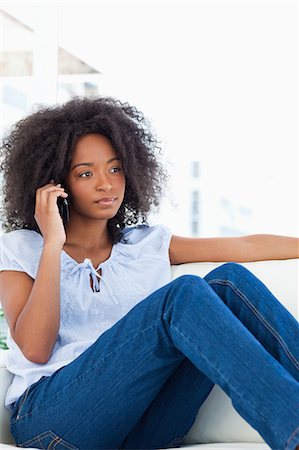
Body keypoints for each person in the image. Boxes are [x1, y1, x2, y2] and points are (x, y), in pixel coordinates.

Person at [0, 96, 298, 450]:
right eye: (85, 173)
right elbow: (34, 349)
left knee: (228, 281)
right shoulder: (21, 248)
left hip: (145, 427)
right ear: (55, 184)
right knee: (183, 295)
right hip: (54, 422)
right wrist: (52, 244)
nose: (106, 184)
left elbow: (245, 247)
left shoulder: (147, 244)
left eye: (115, 169)